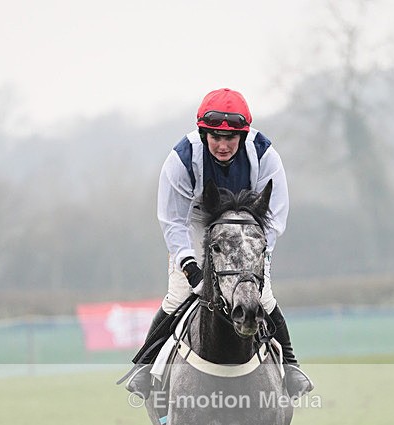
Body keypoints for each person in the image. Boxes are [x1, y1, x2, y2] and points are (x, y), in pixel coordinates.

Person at [127, 87, 312, 398]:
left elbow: (276, 216)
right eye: (215, 137)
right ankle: (144, 366)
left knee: (263, 298)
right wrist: (190, 266)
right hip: (197, 224)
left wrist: (256, 255)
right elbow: (173, 220)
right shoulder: (181, 159)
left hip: (247, 229)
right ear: (203, 133)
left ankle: (291, 367)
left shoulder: (265, 156)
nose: (223, 145)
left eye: (231, 138)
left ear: (243, 135)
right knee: (179, 294)